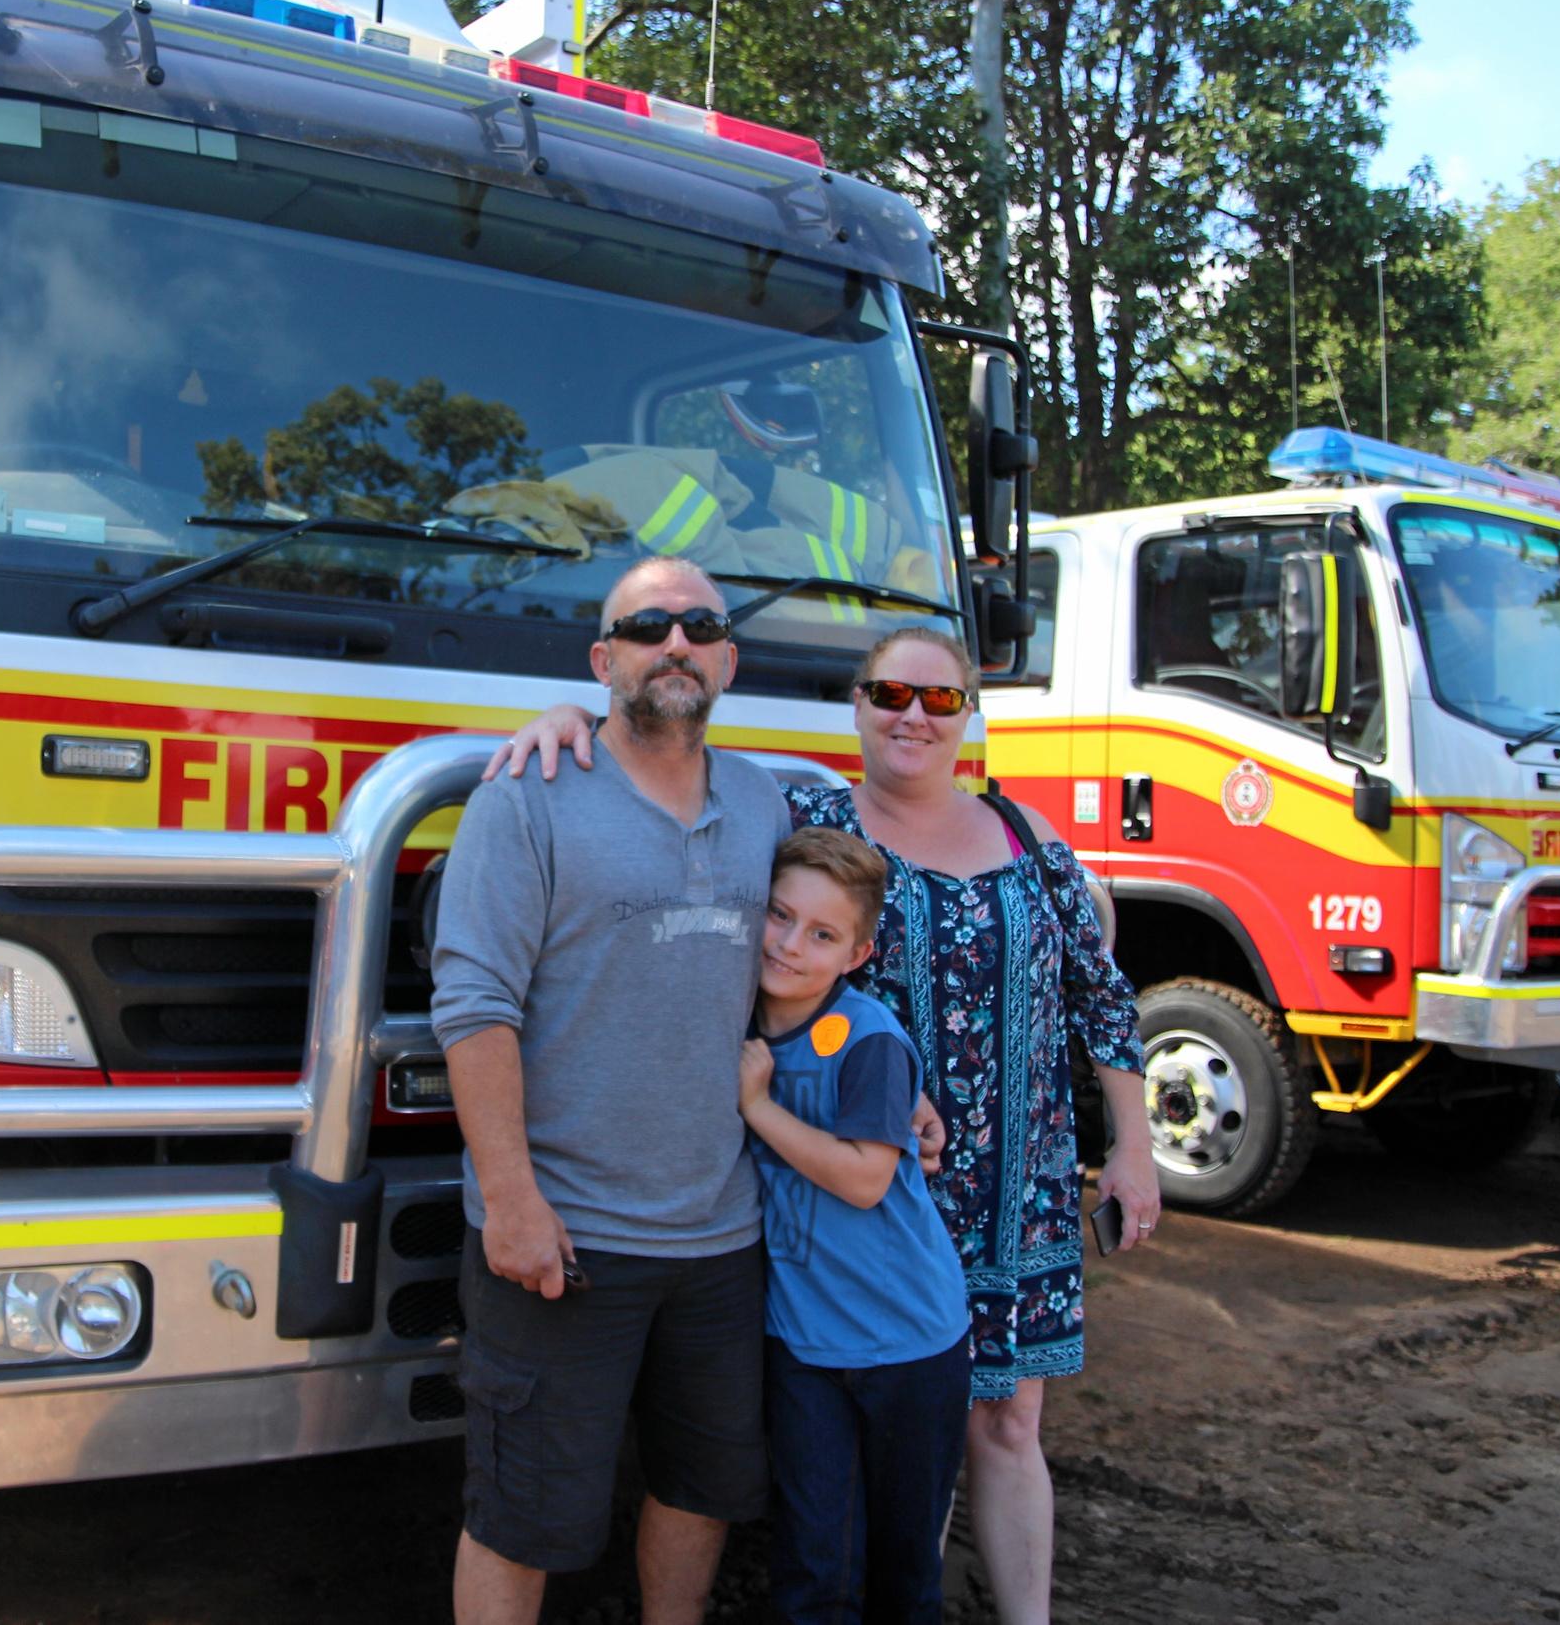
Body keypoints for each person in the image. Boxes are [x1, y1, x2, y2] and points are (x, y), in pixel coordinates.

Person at [489, 624, 1159, 1625]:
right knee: (890, 1431)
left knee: (1010, 1418)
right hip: (870, 1192)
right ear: (856, 704)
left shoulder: (1029, 838)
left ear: (969, 714)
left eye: (940, 700)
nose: (913, 717)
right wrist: (571, 724)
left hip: (1018, 1182)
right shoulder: (799, 818)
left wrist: (1135, 1149)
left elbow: (1099, 995)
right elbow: (668, 786)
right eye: (892, 694)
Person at [429, 556, 788, 1625]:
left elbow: (850, 920)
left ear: (726, 658)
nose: (674, 643)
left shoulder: (768, 802)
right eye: (647, 628)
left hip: (722, 1239)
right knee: (521, 1516)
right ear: (604, 661)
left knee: (702, 1488)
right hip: (564, 1239)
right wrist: (512, 1202)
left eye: (698, 626)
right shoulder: (528, 797)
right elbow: (474, 1007)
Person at [740, 827, 970, 1622]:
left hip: (910, 1345)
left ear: (859, 954)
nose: (789, 943)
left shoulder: (867, 1037)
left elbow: (868, 1178)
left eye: (822, 933)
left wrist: (758, 1108)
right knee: (813, 1562)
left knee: (905, 1571)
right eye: (778, 915)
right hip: (804, 1346)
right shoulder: (733, 1018)